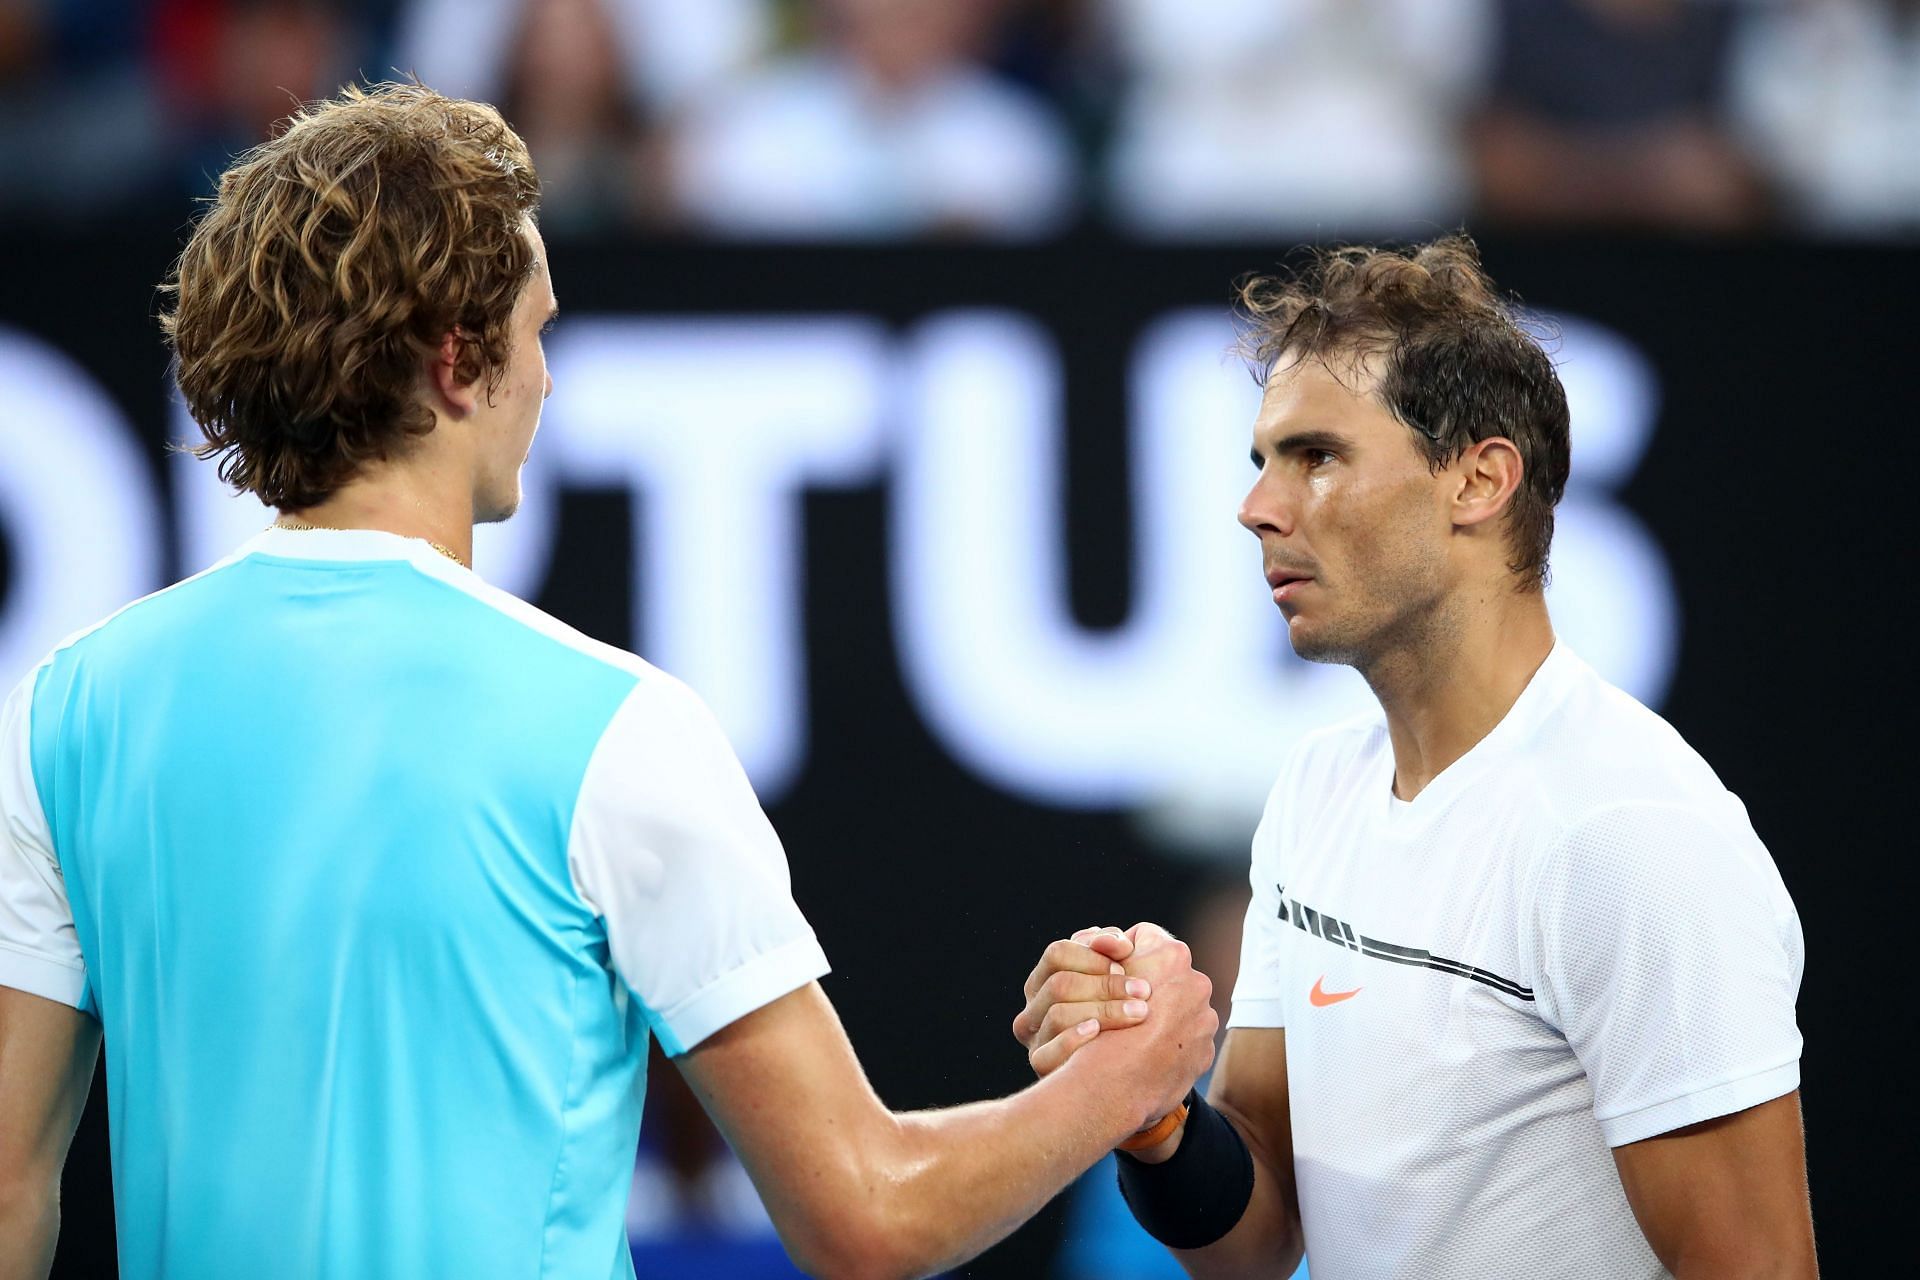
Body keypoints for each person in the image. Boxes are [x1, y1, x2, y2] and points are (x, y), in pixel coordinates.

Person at [0, 81, 1216, 1280]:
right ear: (457, 361)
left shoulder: (69, 707)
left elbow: (9, 1194)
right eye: (538, 333)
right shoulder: (615, 728)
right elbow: (866, 1214)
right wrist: (1129, 1074)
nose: (545, 379)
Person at [1013, 237, 1815, 1278]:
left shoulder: (1624, 831)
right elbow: (1254, 1242)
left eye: (1318, 455)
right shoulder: (1314, 791)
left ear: (1478, 480)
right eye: (1263, 461)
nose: (1258, 506)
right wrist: (1157, 1113)